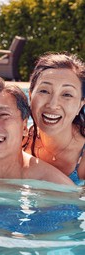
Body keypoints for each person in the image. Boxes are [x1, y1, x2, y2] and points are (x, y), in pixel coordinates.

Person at [23, 53, 85, 185]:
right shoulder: (18, 141)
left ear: (81, 105)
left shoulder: (82, 157)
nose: (52, 105)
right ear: (30, 95)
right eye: (44, 91)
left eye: (67, 94)